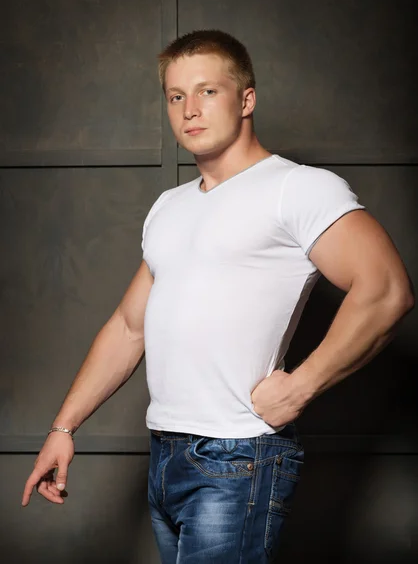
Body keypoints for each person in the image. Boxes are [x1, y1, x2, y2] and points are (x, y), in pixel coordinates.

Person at [21, 29, 414, 563]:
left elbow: (387, 289)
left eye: (207, 91)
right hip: (164, 451)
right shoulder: (170, 206)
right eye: (176, 96)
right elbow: (128, 327)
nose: (190, 109)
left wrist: (301, 388)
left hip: (237, 457)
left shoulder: (296, 188)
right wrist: (63, 428)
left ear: (246, 99)